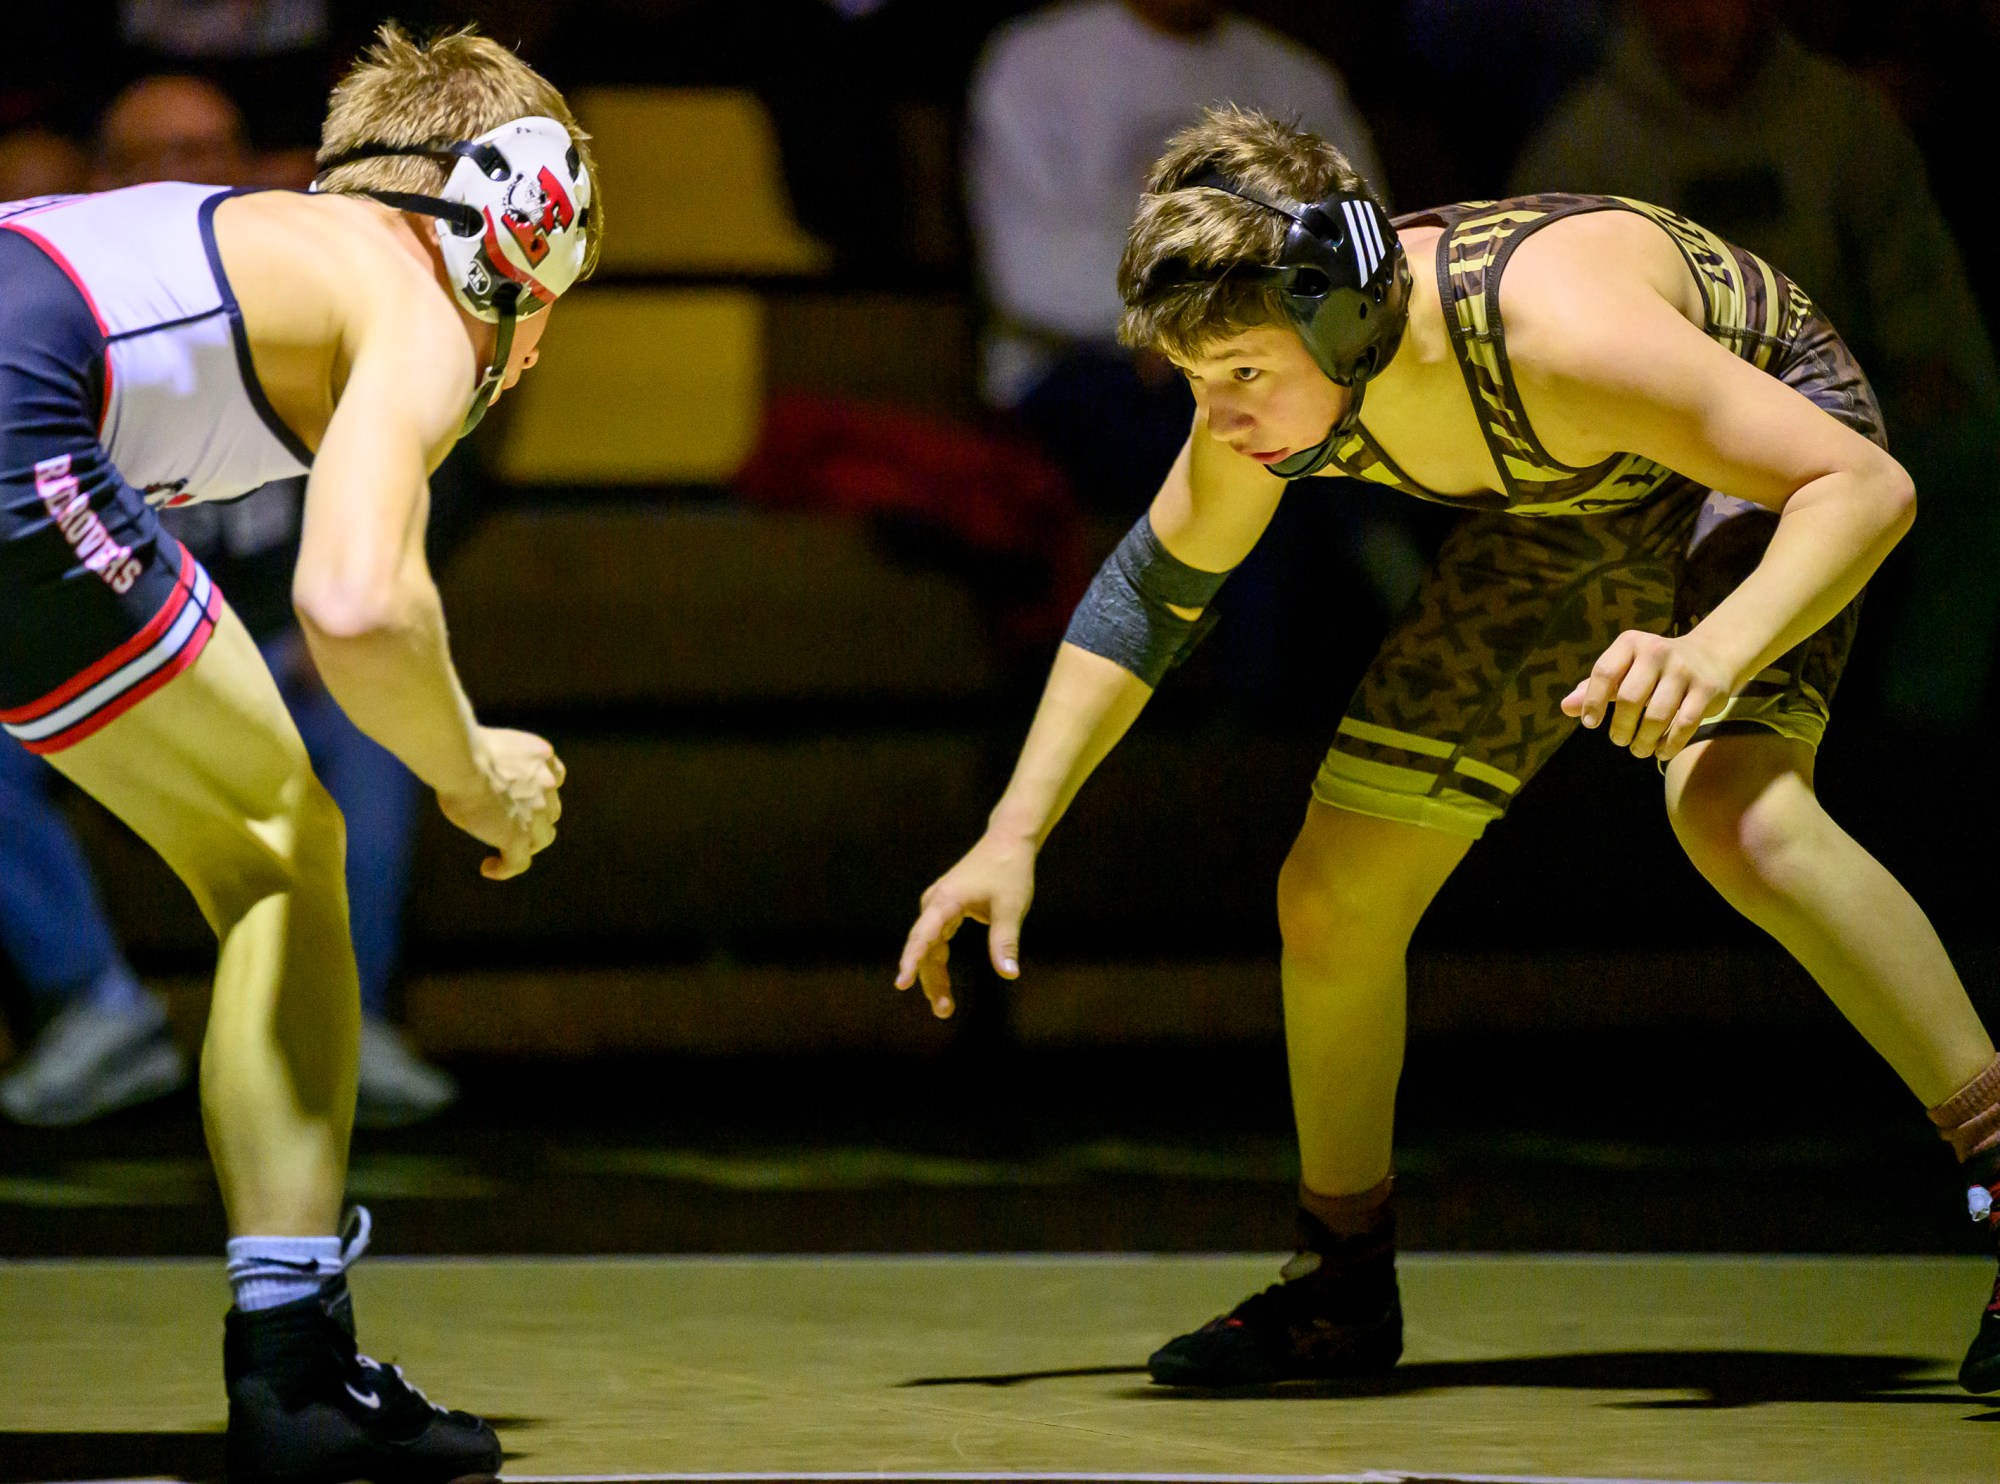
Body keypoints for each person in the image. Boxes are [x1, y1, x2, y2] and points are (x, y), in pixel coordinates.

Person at [896, 105, 2000, 1397]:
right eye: (1197, 382)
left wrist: (1716, 648)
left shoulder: (1560, 334)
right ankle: (1341, 1284)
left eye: (1241, 373)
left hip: (1755, 456)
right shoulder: (1279, 365)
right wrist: (1014, 831)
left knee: (1736, 812)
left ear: (1348, 317)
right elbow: (1149, 596)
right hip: (1567, 500)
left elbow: (1865, 485)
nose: (1221, 415)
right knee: (1330, 894)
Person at [0, 22, 592, 1481]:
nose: (545, 331)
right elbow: (358, 602)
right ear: (522, 219)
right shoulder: (410, 296)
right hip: (18, 413)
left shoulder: (252, 247)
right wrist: (474, 769)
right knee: (277, 845)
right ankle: (295, 1365)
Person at [0, 74, 453, 1131]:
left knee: (373, 715)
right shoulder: (63, 306)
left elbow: (420, 479)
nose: (187, 177)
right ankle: (91, 1009)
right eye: (158, 156)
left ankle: (350, 1019)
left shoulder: (326, 293)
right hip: (102, 640)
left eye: (211, 149)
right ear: (100, 183)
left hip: (283, 644)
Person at [1511, 0, 2000, 735]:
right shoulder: (1585, 141)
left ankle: (1925, 730)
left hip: (1831, 410)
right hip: (1648, 438)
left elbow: (1917, 282)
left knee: (1971, 453)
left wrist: (1926, 356)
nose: (1692, 20)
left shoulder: (1842, 120)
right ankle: (1590, 725)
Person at [966, 0, 1384, 515]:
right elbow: (1032, 275)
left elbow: (1364, 254)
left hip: (1282, 363)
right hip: (1078, 368)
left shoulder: (1298, 79)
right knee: (1236, 453)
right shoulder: (1034, 61)